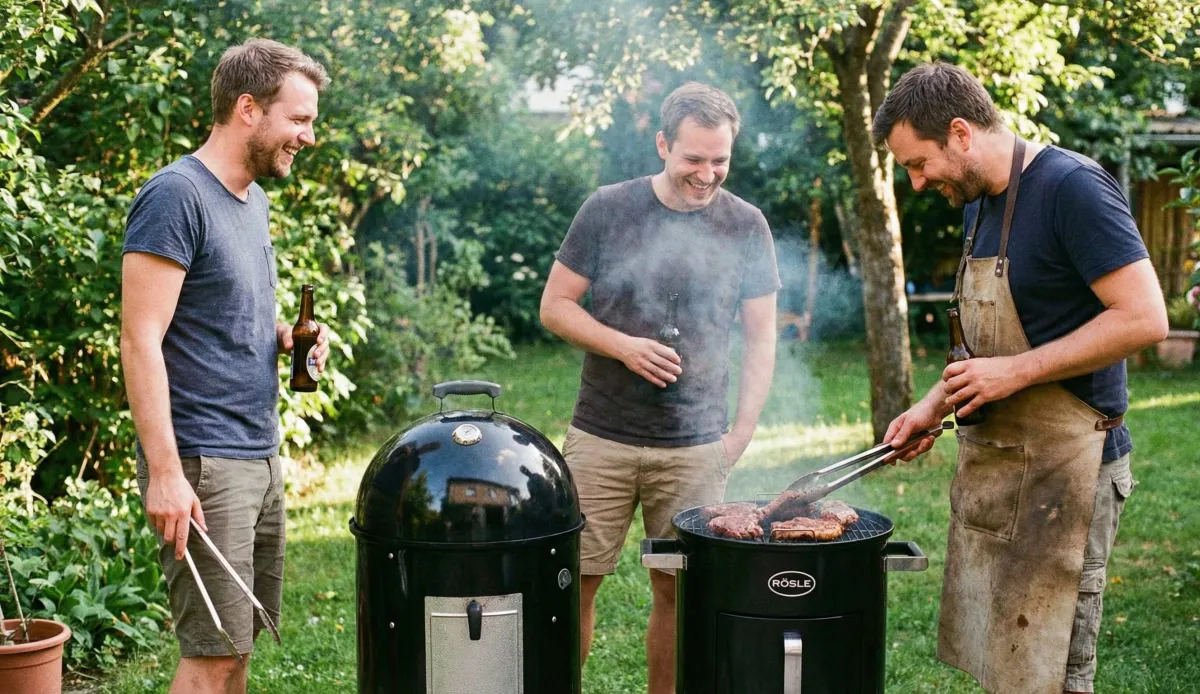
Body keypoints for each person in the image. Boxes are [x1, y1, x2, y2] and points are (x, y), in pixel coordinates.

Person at [873, 63, 1168, 694]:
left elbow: (1145, 318)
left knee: (1053, 674)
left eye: (919, 164)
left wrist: (1017, 371)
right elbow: (988, 344)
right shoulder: (977, 204)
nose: (917, 182)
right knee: (1004, 667)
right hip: (1001, 470)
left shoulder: (1072, 188)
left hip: (1070, 472)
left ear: (960, 133)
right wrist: (933, 403)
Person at [539, 81, 780, 694]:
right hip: (602, 436)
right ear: (662, 145)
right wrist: (623, 345)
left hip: (696, 445)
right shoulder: (608, 208)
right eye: (693, 158)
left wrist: (741, 433)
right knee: (573, 583)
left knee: (681, 592)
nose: (707, 174)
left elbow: (761, 338)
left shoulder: (746, 224)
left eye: (720, 160)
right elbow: (555, 306)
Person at [121, 39, 331, 694]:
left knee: (238, 649)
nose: (309, 136)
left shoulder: (251, 201)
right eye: (299, 119)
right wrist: (165, 474)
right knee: (211, 656)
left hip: (256, 454)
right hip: (203, 462)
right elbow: (140, 338)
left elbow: (215, 315)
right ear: (247, 108)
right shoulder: (176, 196)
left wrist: (285, 337)